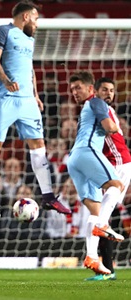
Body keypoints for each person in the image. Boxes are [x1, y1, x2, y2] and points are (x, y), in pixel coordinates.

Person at [0, 0, 70, 214]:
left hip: (27, 101)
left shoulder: (29, 39)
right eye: (35, 18)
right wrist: (6, 81)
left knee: (39, 146)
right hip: (5, 98)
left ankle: (48, 196)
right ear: (26, 16)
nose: (37, 22)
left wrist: (35, 95)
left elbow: (30, 67)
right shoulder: (3, 31)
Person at [67, 71, 125, 276]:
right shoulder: (97, 102)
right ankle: (102, 226)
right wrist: (117, 128)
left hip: (73, 159)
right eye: (72, 89)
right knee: (115, 186)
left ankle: (91, 256)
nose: (74, 92)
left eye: (78, 87)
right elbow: (109, 127)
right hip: (86, 151)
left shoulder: (86, 106)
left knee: (95, 208)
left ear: (89, 88)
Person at [85, 77, 131, 281]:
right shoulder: (97, 108)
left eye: (112, 90)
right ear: (95, 90)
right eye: (105, 89)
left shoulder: (101, 110)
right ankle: (106, 268)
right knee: (102, 218)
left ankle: (98, 262)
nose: (109, 93)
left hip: (119, 164)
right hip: (112, 165)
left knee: (100, 220)